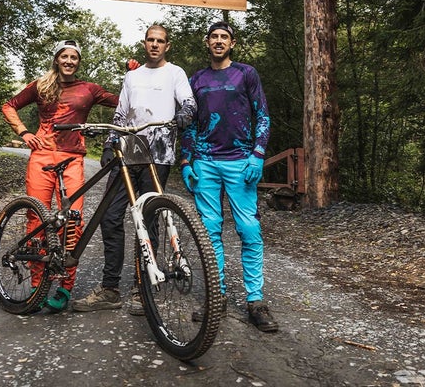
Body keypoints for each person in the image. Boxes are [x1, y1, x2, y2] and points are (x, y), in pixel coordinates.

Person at [72, 25, 196, 314]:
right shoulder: (132, 76)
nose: (155, 45)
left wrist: (184, 116)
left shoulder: (175, 73)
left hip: (159, 154)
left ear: (167, 45)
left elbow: (189, 102)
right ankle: (110, 288)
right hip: (128, 151)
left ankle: (144, 289)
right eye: (150, 40)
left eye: (160, 41)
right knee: (111, 216)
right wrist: (109, 143)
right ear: (144, 43)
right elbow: (120, 114)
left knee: (148, 218)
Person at [1, 40, 121, 313]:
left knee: (73, 220)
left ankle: (66, 286)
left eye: (74, 57)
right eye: (64, 56)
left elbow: (123, 100)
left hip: (72, 158)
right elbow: (9, 106)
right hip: (42, 156)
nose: (69, 60)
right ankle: (36, 285)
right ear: (56, 59)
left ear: (78, 61)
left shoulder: (89, 89)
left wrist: (135, 75)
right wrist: (24, 133)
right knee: (37, 219)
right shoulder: (41, 85)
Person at [180, 21, 278, 332]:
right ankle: (216, 297)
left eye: (224, 37)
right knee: (210, 233)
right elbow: (189, 123)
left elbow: (261, 113)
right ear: (207, 42)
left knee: (249, 230)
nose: (219, 41)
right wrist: (186, 160)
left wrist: (258, 154)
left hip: (241, 162)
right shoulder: (196, 79)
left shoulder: (246, 73)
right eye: (214, 37)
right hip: (206, 164)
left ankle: (256, 301)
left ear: (231, 43)